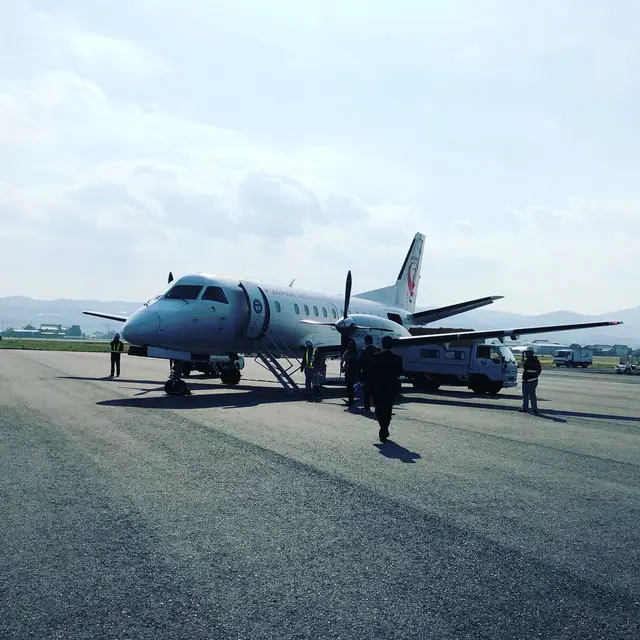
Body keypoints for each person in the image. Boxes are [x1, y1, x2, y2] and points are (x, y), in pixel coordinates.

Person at [369, 336, 404, 441]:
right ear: (391, 345)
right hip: (391, 387)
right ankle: (384, 428)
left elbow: (371, 372)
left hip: (378, 387)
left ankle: (382, 428)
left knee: (379, 409)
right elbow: (400, 372)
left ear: (382, 345)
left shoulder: (375, 356)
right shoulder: (398, 358)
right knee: (388, 409)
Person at [358, 334, 380, 412]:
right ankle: (377, 407)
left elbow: (360, 363)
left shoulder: (364, 351)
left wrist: (359, 374)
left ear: (365, 341)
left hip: (366, 374)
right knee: (375, 392)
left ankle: (367, 407)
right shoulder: (377, 350)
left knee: (366, 392)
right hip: (376, 374)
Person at [520, 347, 541, 414]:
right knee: (525, 395)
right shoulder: (527, 360)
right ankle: (525, 408)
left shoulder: (534, 361)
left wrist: (534, 377)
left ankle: (534, 409)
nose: (526, 354)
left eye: (527, 352)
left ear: (531, 353)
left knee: (532, 395)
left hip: (531, 380)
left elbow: (538, 370)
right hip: (526, 379)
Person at [341, 339, 359, 407]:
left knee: (349, 388)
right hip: (354, 373)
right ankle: (351, 401)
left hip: (348, 372)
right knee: (352, 388)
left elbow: (343, 361)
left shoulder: (347, 353)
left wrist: (342, 369)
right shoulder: (356, 354)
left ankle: (350, 401)